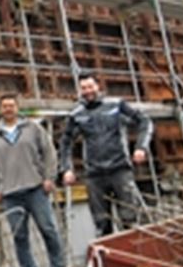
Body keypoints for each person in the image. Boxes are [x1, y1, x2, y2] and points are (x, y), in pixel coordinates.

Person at [59, 72, 154, 238]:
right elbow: (65, 142)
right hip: (94, 175)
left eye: (90, 86)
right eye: (83, 88)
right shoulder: (77, 115)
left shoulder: (116, 106)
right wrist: (67, 168)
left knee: (130, 219)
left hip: (120, 169)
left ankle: (134, 252)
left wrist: (141, 147)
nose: (88, 91)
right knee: (101, 224)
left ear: (98, 86)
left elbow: (144, 121)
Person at [0, 94, 65, 267]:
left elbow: (49, 153)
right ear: (0, 109)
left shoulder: (33, 128)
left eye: (11, 105)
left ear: (18, 108)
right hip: (10, 193)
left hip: (35, 188)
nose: (8, 109)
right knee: (19, 236)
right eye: (4, 106)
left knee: (48, 229)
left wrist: (49, 177)